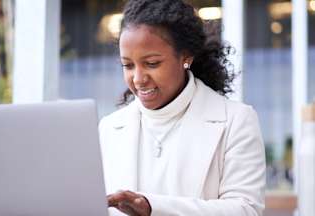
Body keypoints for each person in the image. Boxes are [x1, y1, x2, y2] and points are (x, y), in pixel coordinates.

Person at [99, 0, 266, 215]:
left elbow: (246, 210)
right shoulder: (109, 128)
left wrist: (153, 208)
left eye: (152, 63)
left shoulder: (237, 121)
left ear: (186, 58)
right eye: (128, 65)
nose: (138, 79)